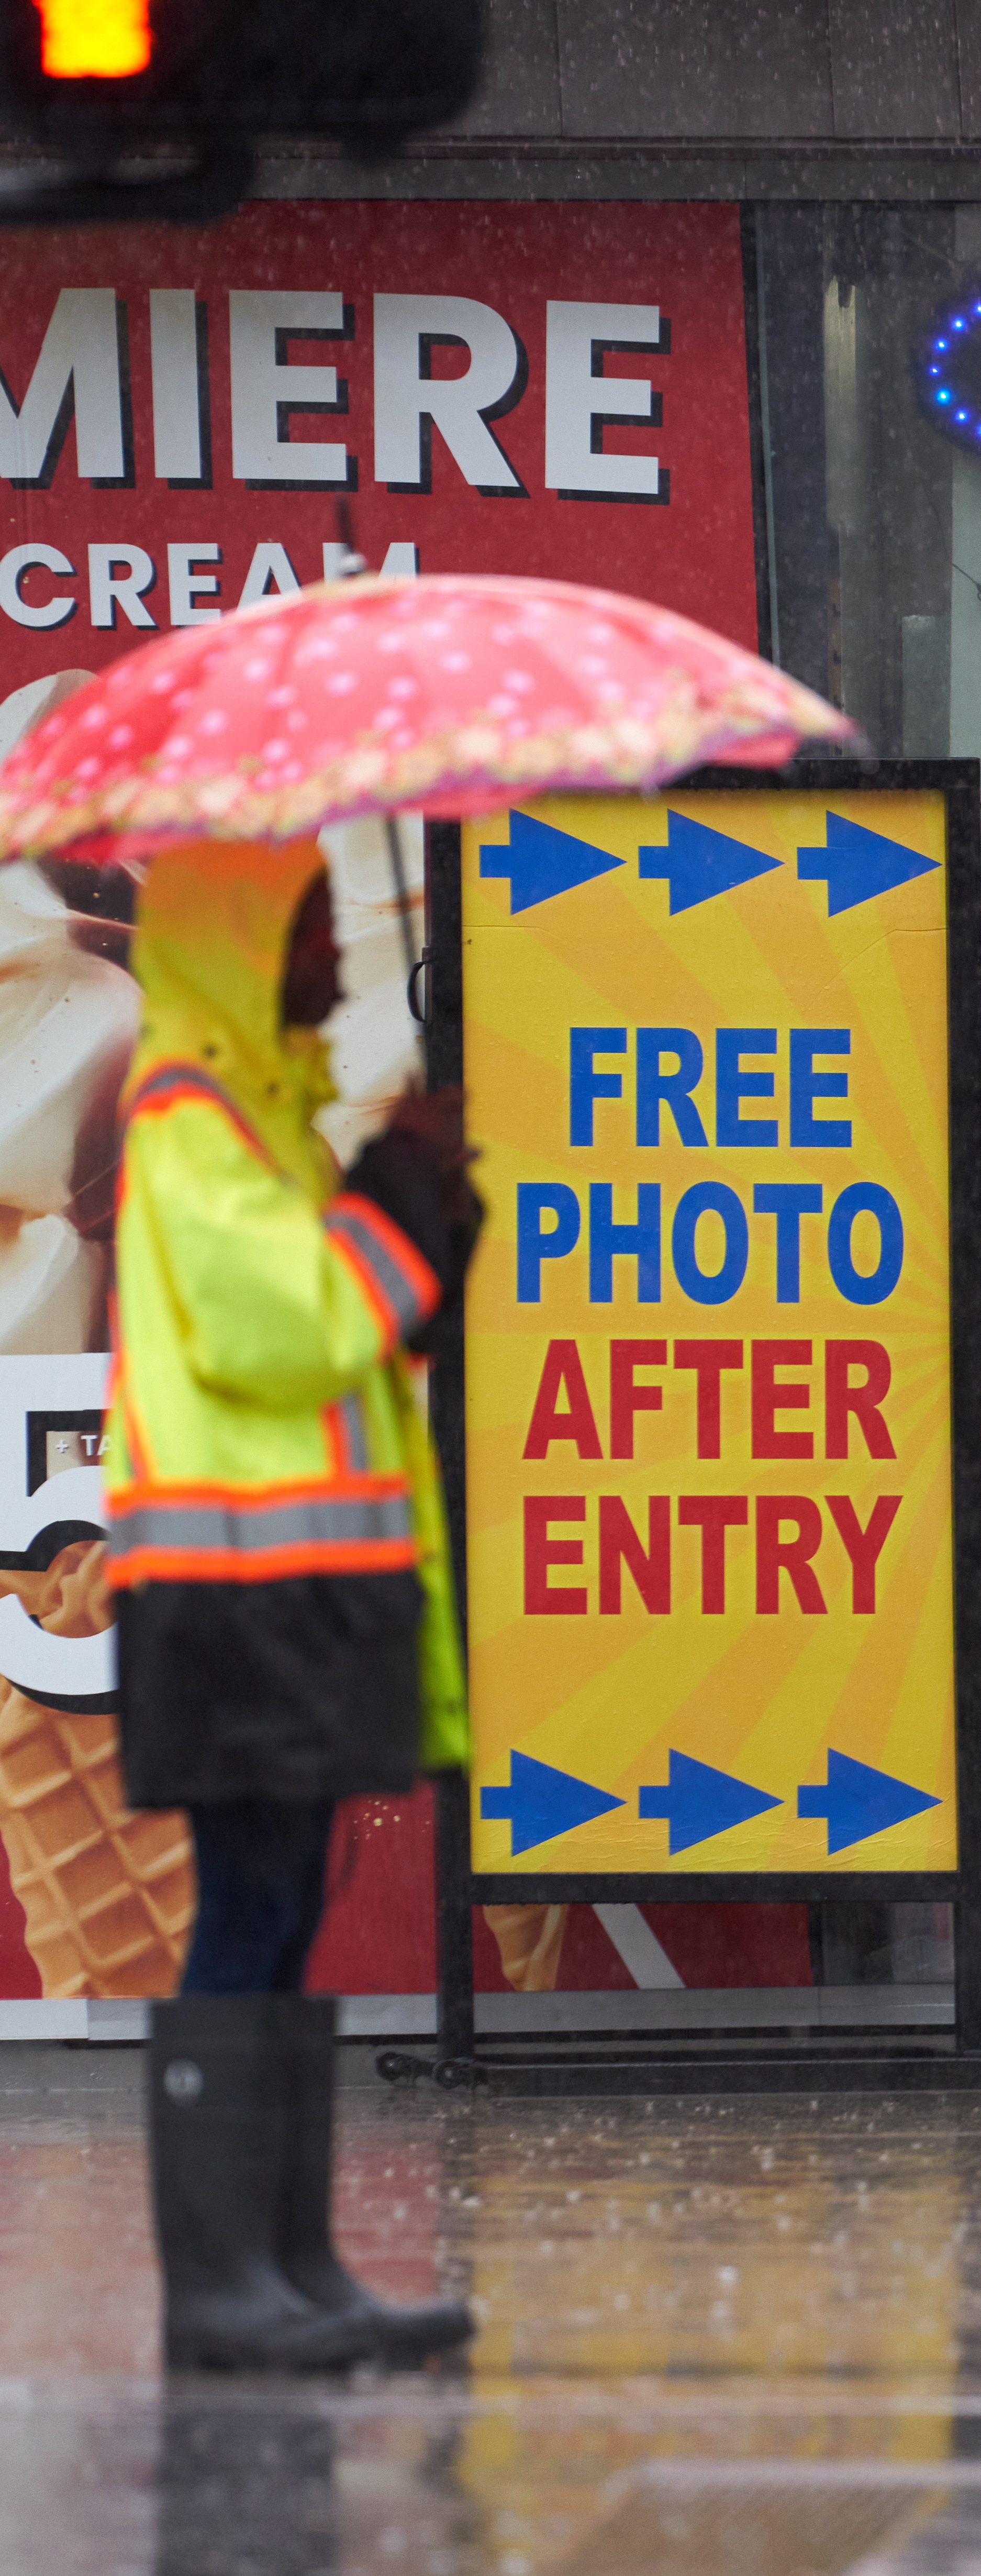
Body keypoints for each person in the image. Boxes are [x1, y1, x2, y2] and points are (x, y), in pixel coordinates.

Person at [115, 842, 478, 2373]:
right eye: (311, 925)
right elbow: (295, 1336)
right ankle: (224, 2291)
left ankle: (291, 2266)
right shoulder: (188, 1124)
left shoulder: (260, 1122)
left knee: (282, 1918)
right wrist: (403, 1186)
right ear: (238, 947)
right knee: (250, 1917)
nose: (336, 951)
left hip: (292, 1593)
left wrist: (408, 1185)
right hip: (226, 1602)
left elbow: (360, 1334)